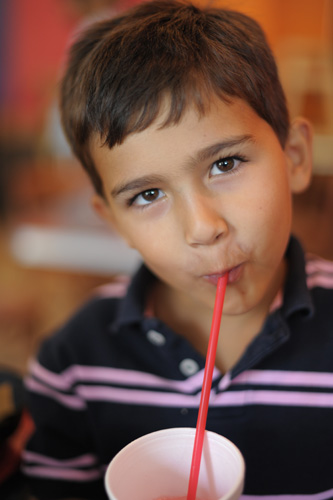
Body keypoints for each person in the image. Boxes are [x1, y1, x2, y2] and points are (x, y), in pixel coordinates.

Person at [21, 1, 333, 499]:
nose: (203, 228)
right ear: (114, 221)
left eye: (226, 163)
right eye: (147, 196)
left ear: (294, 158)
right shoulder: (74, 365)